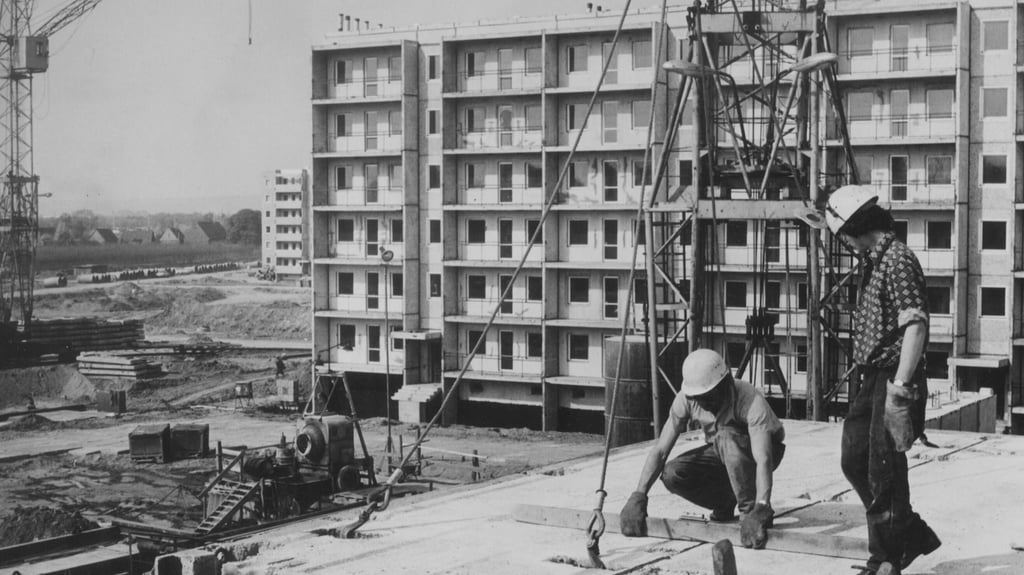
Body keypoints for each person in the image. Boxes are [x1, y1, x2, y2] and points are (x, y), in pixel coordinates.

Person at [823, 185, 941, 575]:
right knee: (855, 459)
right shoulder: (876, 259)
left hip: (893, 377)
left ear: (854, 229)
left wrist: (900, 390)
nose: (846, 244)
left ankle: (886, 559)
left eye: (843, 236)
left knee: (883, 469)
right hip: (871, 376)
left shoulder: (897, 260)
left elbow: (917, 326)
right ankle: (909, 531)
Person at [619, 349, 786, 549]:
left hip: (765, 451)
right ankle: (724, 503)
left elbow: (764, 459)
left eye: (709, 397)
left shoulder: (749, 399)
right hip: (723, 453)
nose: (704, 403)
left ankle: (748, 512)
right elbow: (660, 451)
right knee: (673, 473)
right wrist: (639, 495)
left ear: (726, 384)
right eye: (699, 398)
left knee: (726, 438)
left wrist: (761, 506)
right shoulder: (687, 399)